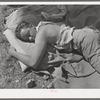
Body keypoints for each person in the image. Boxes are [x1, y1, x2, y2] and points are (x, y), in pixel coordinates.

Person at [8, 21, 100, 75]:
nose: (31, 38)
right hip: (86, 35)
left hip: (84, 41)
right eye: (27, 39)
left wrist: (14, 53)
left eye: (28, 34)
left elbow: (33, 62)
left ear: (32, 26)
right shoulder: (44, 24)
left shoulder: (41, 33)